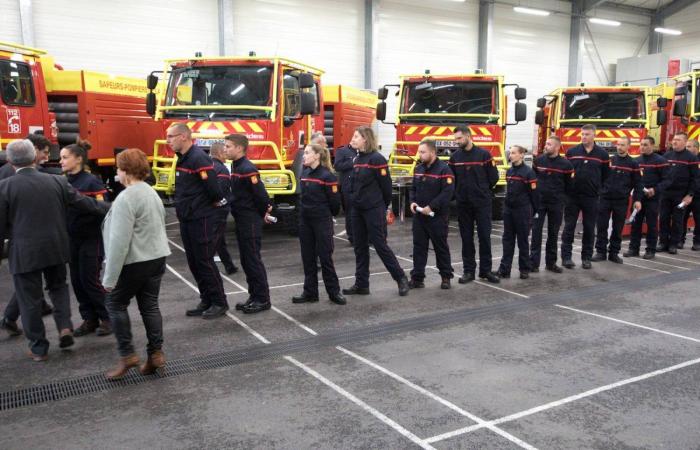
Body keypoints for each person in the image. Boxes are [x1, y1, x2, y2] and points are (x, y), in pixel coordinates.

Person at [0, 139, 108, 361]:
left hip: (23, 251)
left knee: (29, 299)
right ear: (34, 157)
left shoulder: (5, 187)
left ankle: (39, 348)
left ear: (10, 161)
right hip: (57, 246)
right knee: (58, 289)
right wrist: (116, 205)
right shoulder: (57, 182)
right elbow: (87, 204)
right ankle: (64, 327)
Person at [102, 148, 171, 380]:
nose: (117, 173)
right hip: (157, 256)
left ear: (125, 170)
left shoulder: (126, 198)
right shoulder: (151, 192)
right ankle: (155, 354)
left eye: (118, 168)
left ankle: (127, 354)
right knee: (150, 305)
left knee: (114, 302)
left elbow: (118, 241)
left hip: (135, 261)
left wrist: (109, 278)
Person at [169, 124, 229, 319]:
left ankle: (219, 302)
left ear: (184, 137)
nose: (168, 140)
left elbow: (214, 189)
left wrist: (202, 207)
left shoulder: (198, 158)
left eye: (172, 136)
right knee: (194, 261)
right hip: (187, 218)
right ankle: (207, 299)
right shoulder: (183, 159)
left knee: (204, 260)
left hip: (201, 218)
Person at [343, 126, 410, 296]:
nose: (353, 138)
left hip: (373, 209)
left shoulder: (377, 159)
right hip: (357, 210)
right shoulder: (358, 159)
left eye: (356, 136)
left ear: (365, 139)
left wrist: (382, 206)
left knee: (380, 245)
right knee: (359, 248)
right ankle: (362, 284)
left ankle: (401, 278)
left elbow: (386, 187)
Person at [0, 134, 56, 336]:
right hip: (27, 236)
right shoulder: (28, 174)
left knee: (27, 279)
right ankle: (10, 318)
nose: (45, 157)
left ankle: (24, 312)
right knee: (27, 281)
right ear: (33, 151)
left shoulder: (5, 170)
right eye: (44, 153)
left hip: (17, 236)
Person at [59, 140, 112, 337]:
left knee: (91, 280)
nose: (61, 161)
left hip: (91, 238)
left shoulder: (92, 182)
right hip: (72, 238)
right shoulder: (63, 181)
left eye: (65, 157)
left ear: (78, 159)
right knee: (77, 281)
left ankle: (107, 317)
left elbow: (103, 209)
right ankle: (89, 318)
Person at [225, 133, 275, 314]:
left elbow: (261, 195)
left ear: (239, 148)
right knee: (246, 261)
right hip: (241, 218)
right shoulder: (236, 166)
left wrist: (263, 212)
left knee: (253, 260)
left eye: (229, 146)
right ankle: (254, 296)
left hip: (250, 220)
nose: (225, 149)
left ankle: (263, 299)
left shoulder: (247, 168)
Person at [291, 144, 346, 305]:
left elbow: (335, 203)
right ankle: (310, 292)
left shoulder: (327, 176)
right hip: (306, 221)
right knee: (308, 259)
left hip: (321, 221)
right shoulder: (305, 173)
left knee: (325, 258)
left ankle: (334, 292)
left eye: (307, 153)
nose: (304, 155)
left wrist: (326, 215)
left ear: (317, 156)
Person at [448, 125, 500, 284]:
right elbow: (452, 181)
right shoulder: (455, 158)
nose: (457, 142)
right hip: (463, 204)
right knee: (466, 238)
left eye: (459, 138)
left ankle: (486, 271)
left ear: (468, 136)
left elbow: (494, 177)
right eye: (455, 139)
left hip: (482, 203)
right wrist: (458, 195)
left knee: (484, 237)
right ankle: (468, 271)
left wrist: (482, 190)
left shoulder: (484, 155)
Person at [561, 124, 610, 270]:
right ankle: (566, 257)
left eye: (587, 134)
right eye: (582, 134)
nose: (584, 137)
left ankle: (586, 258)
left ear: (594, 135)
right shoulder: (572, 152)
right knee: (569, 227)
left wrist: (600, 191)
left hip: (591, 197)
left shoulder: (602, 154)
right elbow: (565, 173)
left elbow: (606, 176)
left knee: (589, 228)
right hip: (573, 196)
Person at [408, 139, 454, 289]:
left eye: (423, 152)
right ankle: (417, 278)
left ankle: (446, 277)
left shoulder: (444, 170)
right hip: (420, 217)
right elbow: (413, 189)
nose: (420, 155)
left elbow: (447, 193)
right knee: (419, 247)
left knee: (440, 247)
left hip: (437, 217)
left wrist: (431, 206)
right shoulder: (419, 168)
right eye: (419, 152)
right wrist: (412, 202)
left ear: (433, 152)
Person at [592, 136, 642, 263]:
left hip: (621, 200)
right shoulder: (609, 161)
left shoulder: (633, 164)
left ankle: (614, 253)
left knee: (618, 227)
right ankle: (600, 252)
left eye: (623, 145)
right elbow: (599, 177)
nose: (619, 147)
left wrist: (637, 200)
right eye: (618, 144)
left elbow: (638, 184)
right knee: (601, 226)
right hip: (605, 198)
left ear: (628, 146)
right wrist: (599, 192)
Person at [530, 136, 573, 273]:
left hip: (556, 204)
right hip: (539, 204)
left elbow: (570, 186)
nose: (545, 146)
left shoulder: (566, 165)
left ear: (557, 147)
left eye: (549, 144)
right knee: (536, 233)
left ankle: (551, 263)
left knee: (553, 234)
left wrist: (563, 201)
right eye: (546, 143)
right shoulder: (538, 161)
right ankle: (533, 263)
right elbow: (533, 180)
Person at [497, 145, 539, 279]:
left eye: (514, 153)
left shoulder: (528, 173)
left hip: (522, 211)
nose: (511, 156)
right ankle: (505, 269)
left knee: (523, 241)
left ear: (521, 155)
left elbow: (534, 195)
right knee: (507, 240)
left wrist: (535, 212)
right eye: (510, 153)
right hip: (509, 210)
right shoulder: (509, 171)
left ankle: (524, 269)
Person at [624, 136, 668, 259]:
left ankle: (650, 250)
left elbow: (667, 180)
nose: (642, 147)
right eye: (641, 144)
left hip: (653, 198)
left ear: (652, 146)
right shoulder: (636, 161)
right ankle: (633, 249)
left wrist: (655, 190)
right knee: (635, 224)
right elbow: (632, 179)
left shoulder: (660, 161)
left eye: (645, 145)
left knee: (652, 224)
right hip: (638, 198)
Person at [658, 132, 697, 254]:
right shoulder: (666, 155)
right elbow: (661, 175)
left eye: (678, 140)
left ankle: (673, 244)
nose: (674, 142)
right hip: (665, 194)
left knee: (677, 221)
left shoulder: (691, 158)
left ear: (685, 142)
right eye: (674, 139)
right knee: (663, 218)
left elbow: (695, 179)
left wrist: (690, 195)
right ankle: (663, 242)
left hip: (680, 195)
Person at [209, 142, 238, 275]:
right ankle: (207, 264)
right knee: (215, 239)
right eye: (225, 151)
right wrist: (222, 203)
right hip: (218, 211)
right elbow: (222, 192)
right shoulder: (222, 170)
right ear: (220, 153)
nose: (226, 153)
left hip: (208, 210)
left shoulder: (206, 166)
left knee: (219, 240)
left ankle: (229, 265)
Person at [333, 140, 357, 246]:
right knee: (350, 213)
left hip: (360, 187)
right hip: (347, 187)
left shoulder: (363, 152)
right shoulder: (342, 151)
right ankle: (352, 237)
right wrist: (353, 162)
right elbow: (337, 166)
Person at [679, 139, 700, 250]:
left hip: (698, 195)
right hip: (685, 195)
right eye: (686, 146)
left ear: (696, 148)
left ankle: (697, 242)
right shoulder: (684, 159)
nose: (686, 149)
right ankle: (680, 240)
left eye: (689, 147)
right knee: (682, 218)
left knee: (698, 219)